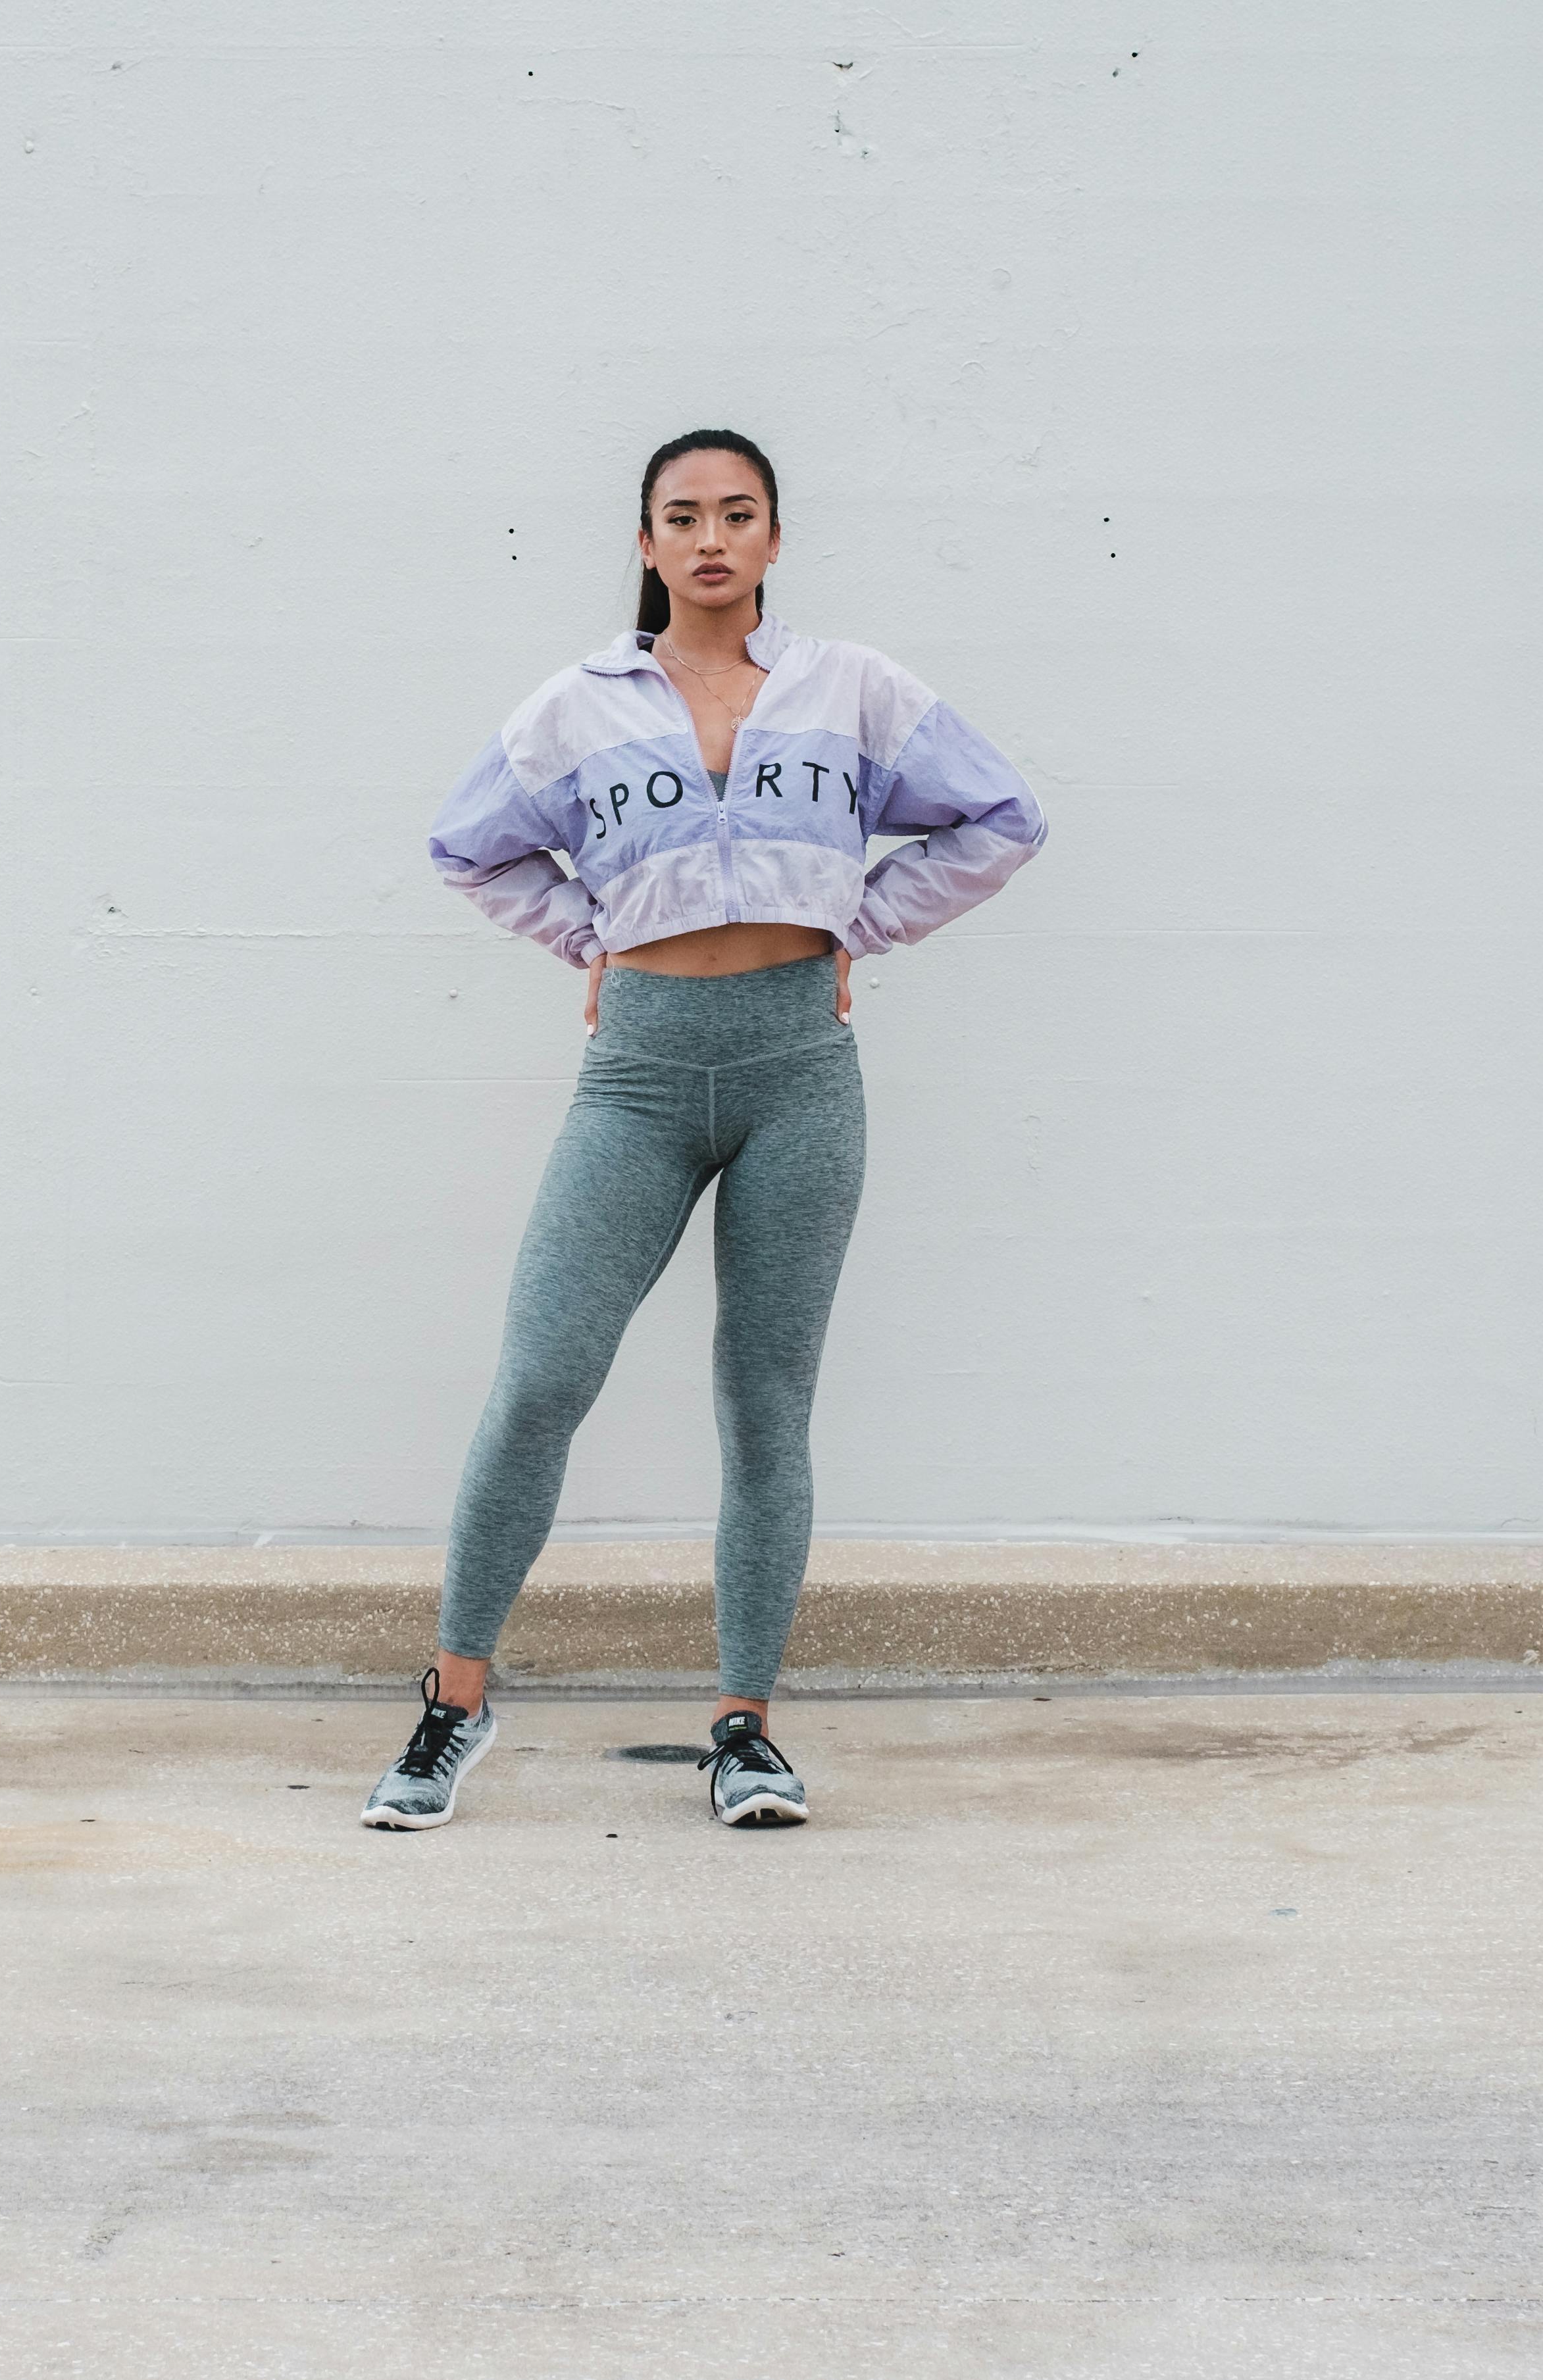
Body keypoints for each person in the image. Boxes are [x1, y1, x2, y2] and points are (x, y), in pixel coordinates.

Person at [363, 429, 1046, 1832]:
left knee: (764, 1406)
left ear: (774, 538)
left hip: (802, 1068)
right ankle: (452, 1702)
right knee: (543, 1376)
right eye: (682, 517)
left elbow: (1000, 817)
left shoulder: (851, 691)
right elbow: (465, 844)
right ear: (646, 543)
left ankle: (745, 1728)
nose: (710, 539)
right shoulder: (577, 708)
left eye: (737, 515)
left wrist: (862, 920)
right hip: (642, 1078)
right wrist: (589, 943)